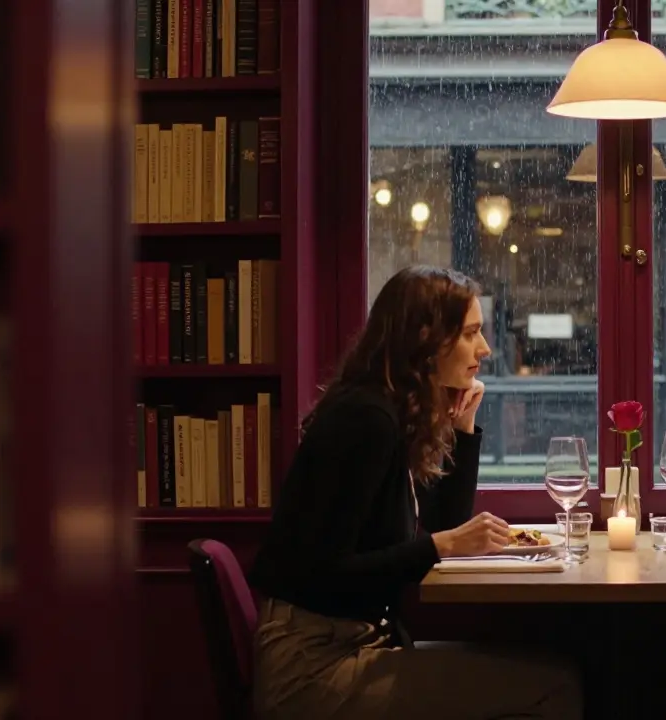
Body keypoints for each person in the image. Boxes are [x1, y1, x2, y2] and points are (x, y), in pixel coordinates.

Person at [248, 265, 583, 720]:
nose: (485, 349)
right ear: (427, 339)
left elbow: (444, 524)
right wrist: (440, 547)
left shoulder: (386, 412)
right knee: (556, 688)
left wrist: (461, 429)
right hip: (311, 668)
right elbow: (320, 572)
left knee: (556, 672)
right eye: (470, 334)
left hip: (350, 643)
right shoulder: (365, 420)